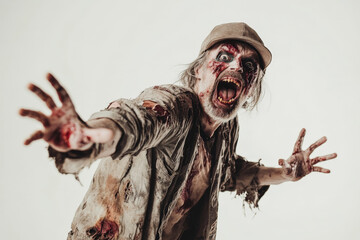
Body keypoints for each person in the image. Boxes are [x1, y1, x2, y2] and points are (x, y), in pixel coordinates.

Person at [19, 22, 337, 240]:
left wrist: (286, 173)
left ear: (250, 89)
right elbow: (136, 120)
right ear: (198, 72)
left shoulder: (225, 131)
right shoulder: (175, 106)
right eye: (224, 57)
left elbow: (228, 174)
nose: (237, 67)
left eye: (249, 66)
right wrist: (89, 135)